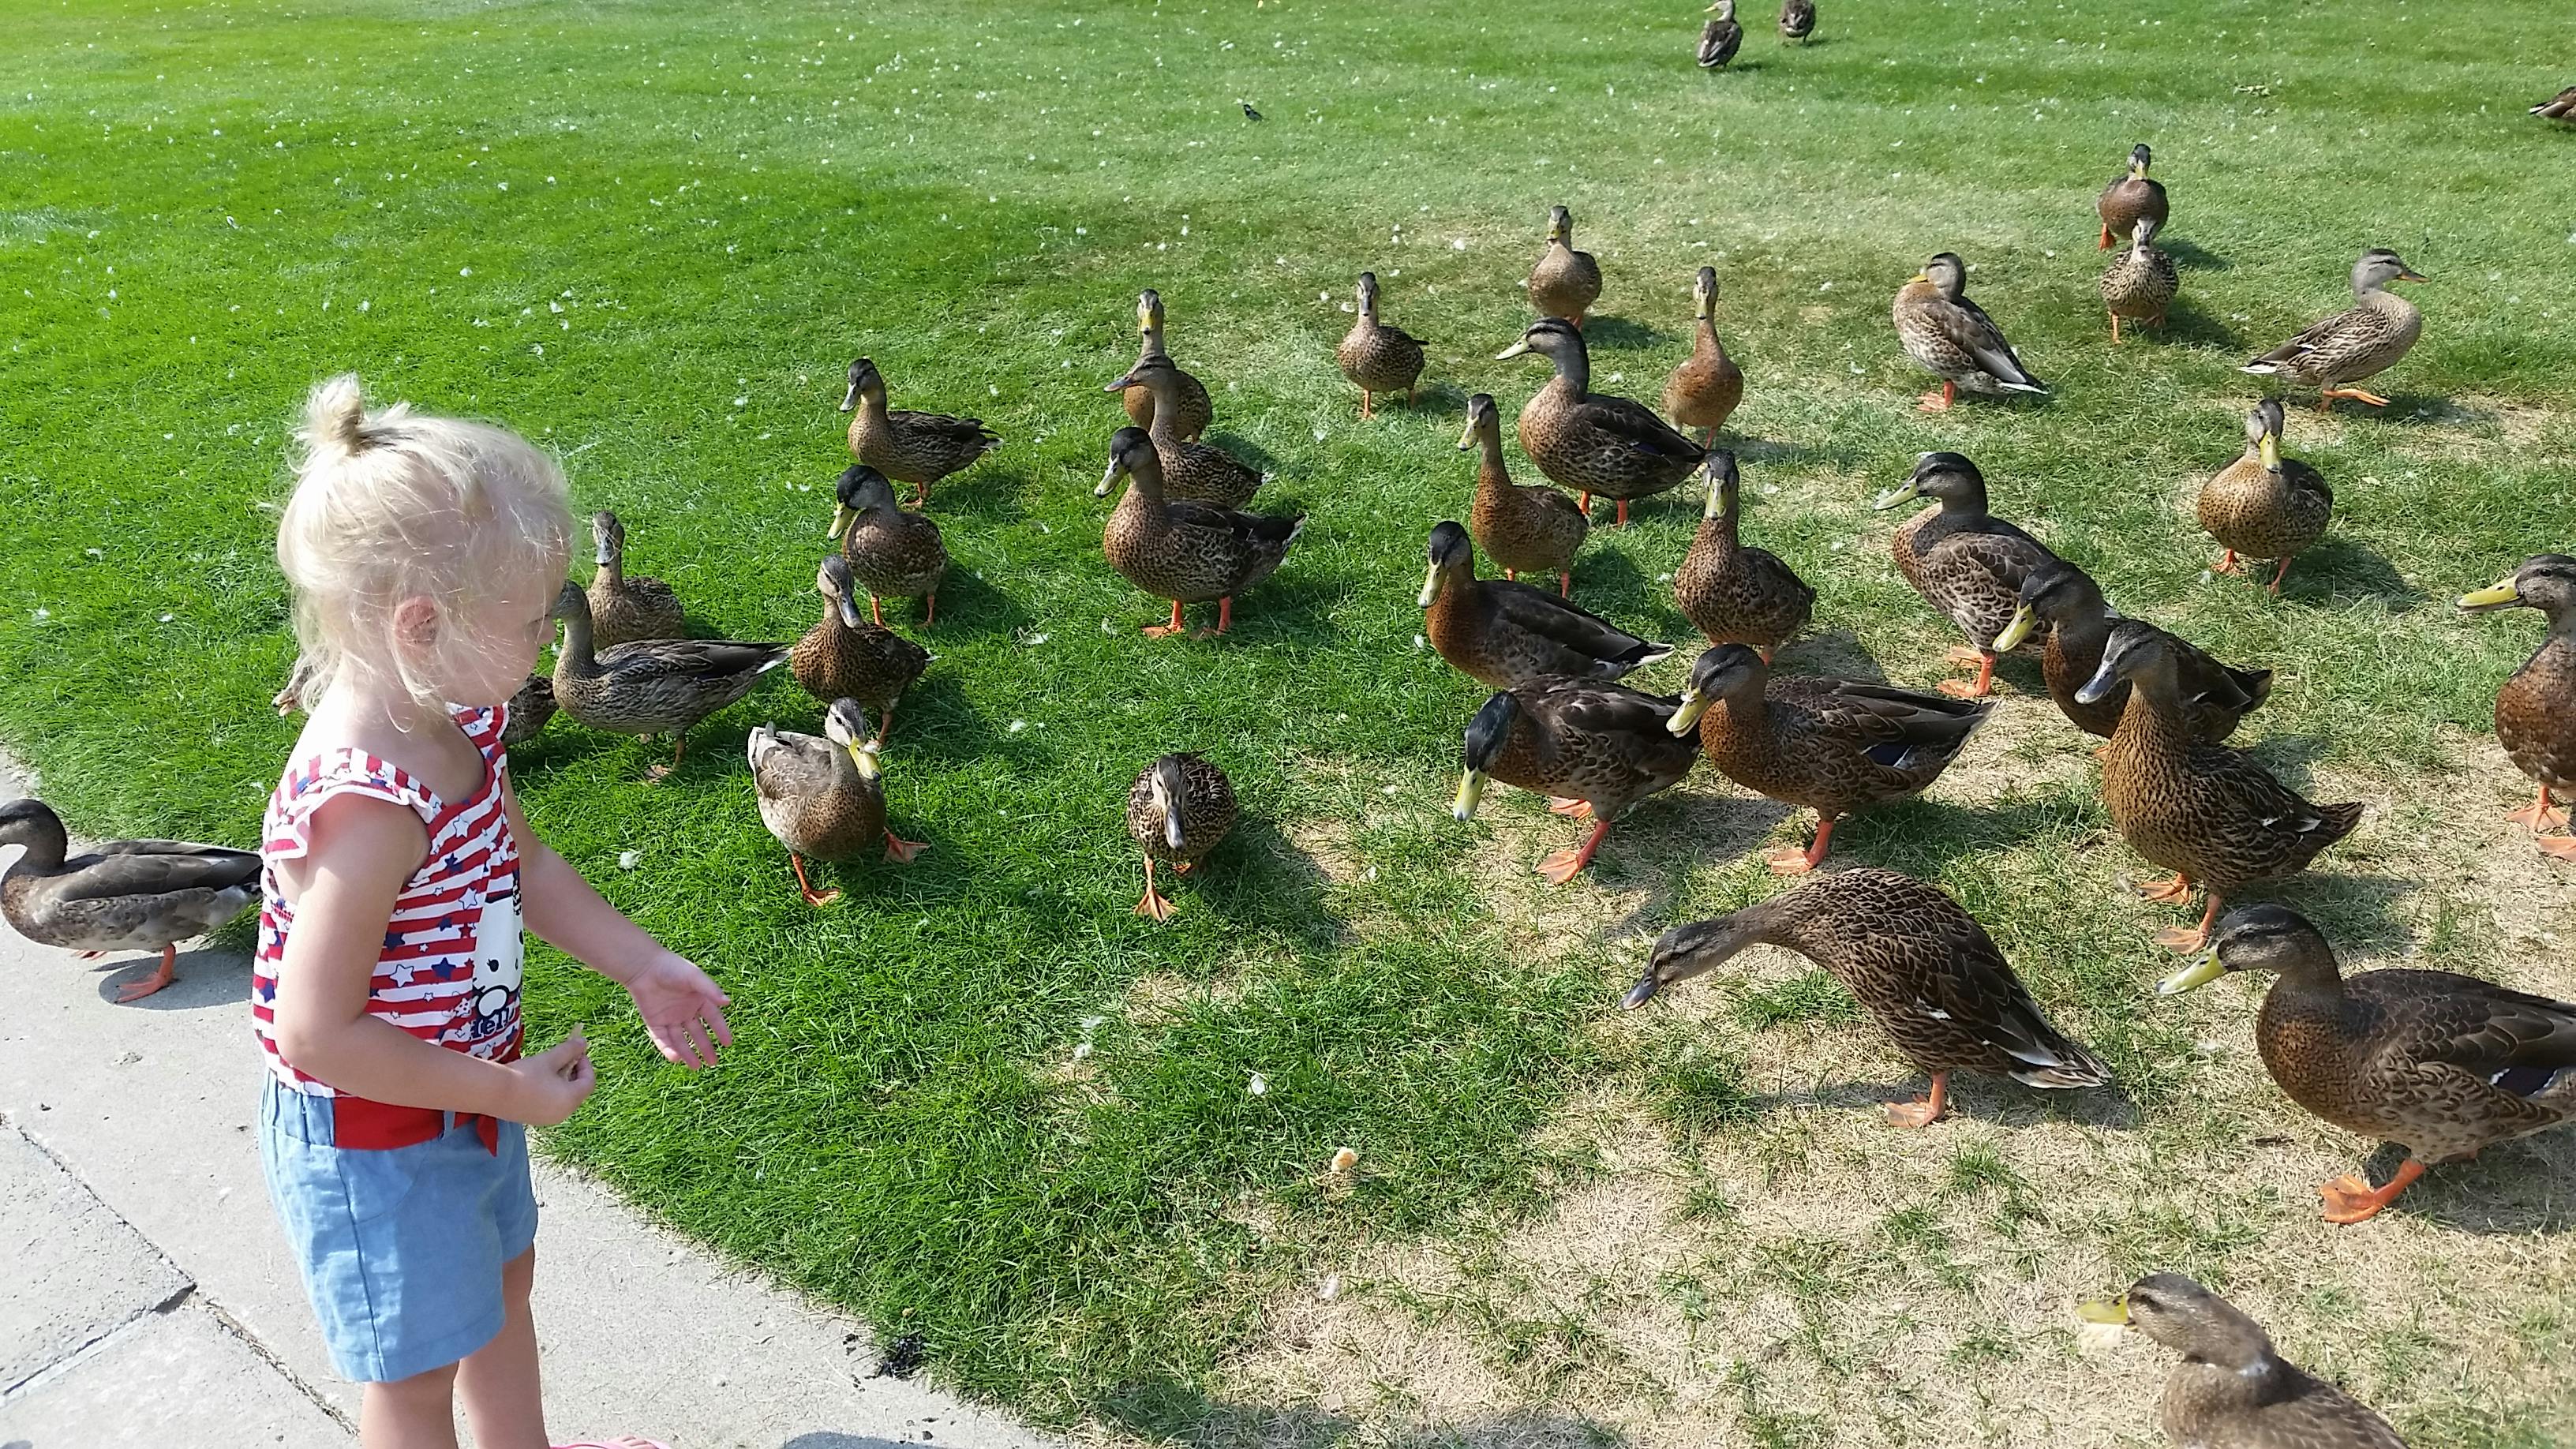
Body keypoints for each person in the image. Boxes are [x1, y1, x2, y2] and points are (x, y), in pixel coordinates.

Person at [256, 374, 728, 1449]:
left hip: (467, 1093)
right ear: (421, 626)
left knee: (501, 1293)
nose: (549, 642)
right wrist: (501, 1090)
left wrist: (638, 960)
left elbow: (522, 860)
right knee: (415, 1377)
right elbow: (317, 1031)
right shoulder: (367, 807)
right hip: (375, 1135)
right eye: (530, 622)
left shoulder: (458, 716)